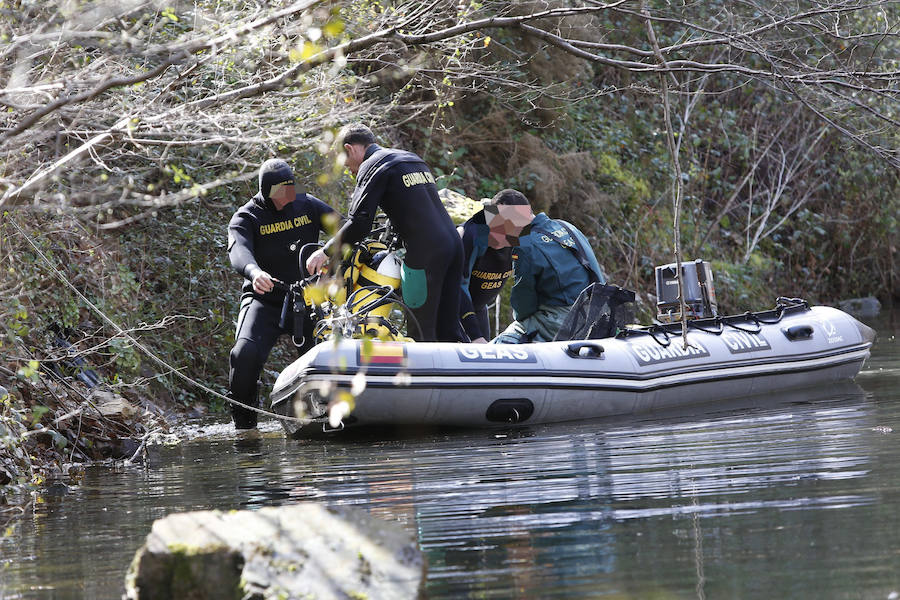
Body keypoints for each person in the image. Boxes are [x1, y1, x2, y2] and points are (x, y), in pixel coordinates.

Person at [306, 124, 465, 342]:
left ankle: (422, 376)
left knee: (422, 332)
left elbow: (360, 222)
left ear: (350, 149)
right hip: (454, 245)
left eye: (344, 161)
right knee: (449, 329)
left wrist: (325, 252)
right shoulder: (409, 159)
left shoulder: (373, 165)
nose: (348, 169)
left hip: (426, 254)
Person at [227, 158, 338, 429]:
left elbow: (344, 227)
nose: (287, 199)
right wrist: (254, 273)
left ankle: (329, 417)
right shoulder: (247, 216)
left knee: (328, 356)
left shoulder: (305, 202)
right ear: (266, 192)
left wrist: (329, 255)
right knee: (244, 355)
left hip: (309, 297)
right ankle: (245, 428)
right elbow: (238, 250)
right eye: (280, 193)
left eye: (290, 190)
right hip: (265, 298)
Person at [485, 189, 607, 344]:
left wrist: (521, 319)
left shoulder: (525, 244)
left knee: (501, 343)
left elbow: (523, 301)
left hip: (564, 318)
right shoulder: (566, 226)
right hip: (599, 309)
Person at [458, 205, 514, 343]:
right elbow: (459, 285)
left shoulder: (523, 237)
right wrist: (475, 335)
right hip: (452, 303)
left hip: (479, 306)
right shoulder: (472, 234)